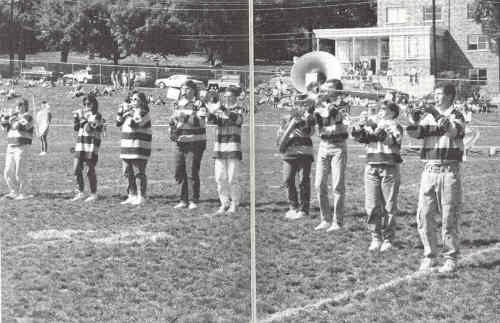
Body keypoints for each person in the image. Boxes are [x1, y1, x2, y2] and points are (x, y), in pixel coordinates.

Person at [406, 83, 465, 273]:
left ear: (449, 96)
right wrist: (413, 118)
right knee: (424, 215)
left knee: (449, 216)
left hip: (449, 171)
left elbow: (452, 130)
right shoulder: (428, 117)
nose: (436, 97)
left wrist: (434, 112)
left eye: (439, 94)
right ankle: (429, 256)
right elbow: (415, 134)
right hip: (429, 170)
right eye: (435, 94)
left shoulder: (457, 114)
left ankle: (450, 258)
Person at [352, 102, 403, 252]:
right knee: (372, 205)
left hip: (389, 167)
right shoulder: (372, 123)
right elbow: (360, 138)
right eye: (380, 109)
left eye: (384, 109)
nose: (380, 112)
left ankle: (388, 239)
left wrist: (377, 128)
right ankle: (375, 237)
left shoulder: (395, 125)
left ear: (393, 112)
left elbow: (392, 142)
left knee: (389, 206)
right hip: (371, 166)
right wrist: (360, 127)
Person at [313, 79, 349, 232]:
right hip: (323, 146)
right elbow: (317, 125)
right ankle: (325, 219)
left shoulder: (344, 104)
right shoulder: (320, 104)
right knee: (319, 184)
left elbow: (339, 122)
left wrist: (325, 107)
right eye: (324, 88)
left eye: (329, 88)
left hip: (338, 147)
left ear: (337, 90)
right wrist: (315, 106)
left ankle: (337, 222)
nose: (325, 90)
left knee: (337, 186)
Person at [169, 80, 207, 209]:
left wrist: (184, 117)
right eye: (182, 88)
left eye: (187, 89)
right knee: (179, 170)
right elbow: (172, 122)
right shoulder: (176, 104)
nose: (184, 91)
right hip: (180, 141)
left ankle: (192, 200)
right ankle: (183, 199)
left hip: (195, 141)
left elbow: (200, 122)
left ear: (193, 90)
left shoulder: (199, 104)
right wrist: (173, 128)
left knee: (191, 171)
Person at [277, 96, 315, 220]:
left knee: (303, 181)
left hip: (305, 152)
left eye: (302, 104)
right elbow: (280, 136)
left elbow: (309, 132)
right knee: (287, 180)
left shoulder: (309, 118)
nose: (299, 106)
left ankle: (304, 209)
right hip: (289, 153)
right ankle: (293, 207)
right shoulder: (285, 118)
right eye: (297, 103)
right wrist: (290, 123)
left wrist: (302, 119)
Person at [207, 87, 244, 215]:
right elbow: (211, 121)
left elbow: (238, 120)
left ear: (235, 97)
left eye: (230, 96)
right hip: (219, 147)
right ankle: (224, 203)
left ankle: (234, 203)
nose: (227, 98)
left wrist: (222, 109)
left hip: (233, 147)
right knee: (220, 177)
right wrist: (211, 111)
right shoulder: (219, 110)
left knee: (233, 178)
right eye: (225, 96)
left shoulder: (239, 108)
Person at [117, 92, 152, 205]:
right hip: (126, 146)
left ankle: (142, 195)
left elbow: (134, 124)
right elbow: (118, 122)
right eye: (131, 99)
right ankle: (132, 194)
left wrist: (128, 112)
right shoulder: (129, 112)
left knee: (138, 173)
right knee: (127, 172)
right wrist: (120, 111)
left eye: (135, 99)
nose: (132, 101)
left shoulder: (144, 112)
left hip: (138, 147)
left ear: (142, 101)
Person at [71, 94, 105, 202]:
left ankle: (93, 193)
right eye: (84, 104)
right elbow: (76, 128)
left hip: (91, 146)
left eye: (88, 104)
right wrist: (76, 118)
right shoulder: (85, 114)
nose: (86, 106)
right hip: (80, 145)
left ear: (94, 104)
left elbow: (89, 128)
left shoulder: (97, 116)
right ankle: (80, 191)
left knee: (90, 170)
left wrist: (81, 117)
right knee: (76, 168)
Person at [1, 98, 34, 200]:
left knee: (20, 170)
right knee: (7, 171)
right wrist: (5, 117)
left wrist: (12, 118)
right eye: (17, 105)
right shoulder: (14, 116)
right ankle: (14, 191)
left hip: (22, 145)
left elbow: (20, 126)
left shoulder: (28, 116)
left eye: (21, 105)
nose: (18, 107)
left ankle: (24, 193)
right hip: (11, 145)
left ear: (25, 106)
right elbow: (4, 126)